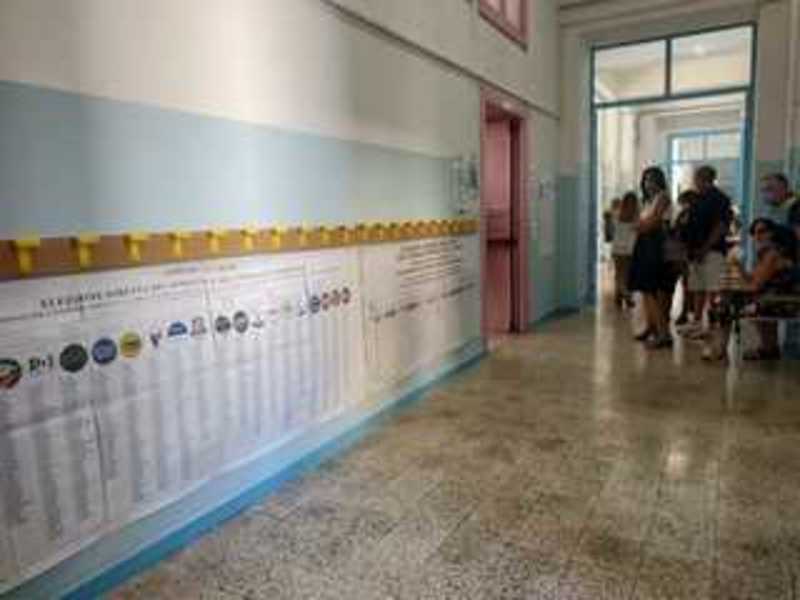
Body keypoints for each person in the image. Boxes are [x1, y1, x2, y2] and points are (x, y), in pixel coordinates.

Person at [703, 218, 799, 361]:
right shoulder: (767, 254)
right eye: (754, 233)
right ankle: (767, 348)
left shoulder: (772, 255)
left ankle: (719, 349)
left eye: (762, 231)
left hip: (782, 302)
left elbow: (754, 286)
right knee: (726, 294)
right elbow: (752, 280)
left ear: (772, 233)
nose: (757, 236)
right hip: (776, 298)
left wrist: (732, 287)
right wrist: (738, 267)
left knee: (724, 301)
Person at [681, 165, 732, 341]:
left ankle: (710, 325)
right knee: (698, 288)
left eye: (697, 178)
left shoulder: (720, 199)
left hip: (712, 251)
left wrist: (705, 247)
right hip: (695, 251)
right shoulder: (698, 198)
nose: (695, 181)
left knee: (712, 289)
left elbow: (721, 226)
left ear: (705, 178)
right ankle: (696, 323)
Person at [628, 167, 676, 349]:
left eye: (652, 180)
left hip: (656, 245)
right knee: (645, 290)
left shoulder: (663, 197)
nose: (649, 184)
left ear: (659, 181)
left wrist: (641, 225)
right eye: (646, 180)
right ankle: (651, 327)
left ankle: (663, 334)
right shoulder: (647, 200)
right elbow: (640, 223)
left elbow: (652, 223)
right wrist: (641, 225)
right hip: (646, 245)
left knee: (652, 290)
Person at [672, 190, 701, 326]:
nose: (683, 205)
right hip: (680, 252)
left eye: (684, 202)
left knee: (691, 284)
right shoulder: (682, 214)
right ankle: (686, 312)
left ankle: (689, 313)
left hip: (691, 252)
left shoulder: (697, 215)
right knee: (685, 283)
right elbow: (676, 230)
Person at [611, 192, 639, 309]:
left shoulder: (617, 214)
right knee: (627, 275)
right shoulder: (637, 216)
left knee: (619, 274)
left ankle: (619, 296)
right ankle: (627, 296)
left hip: (618, 248)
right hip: (629, 248)